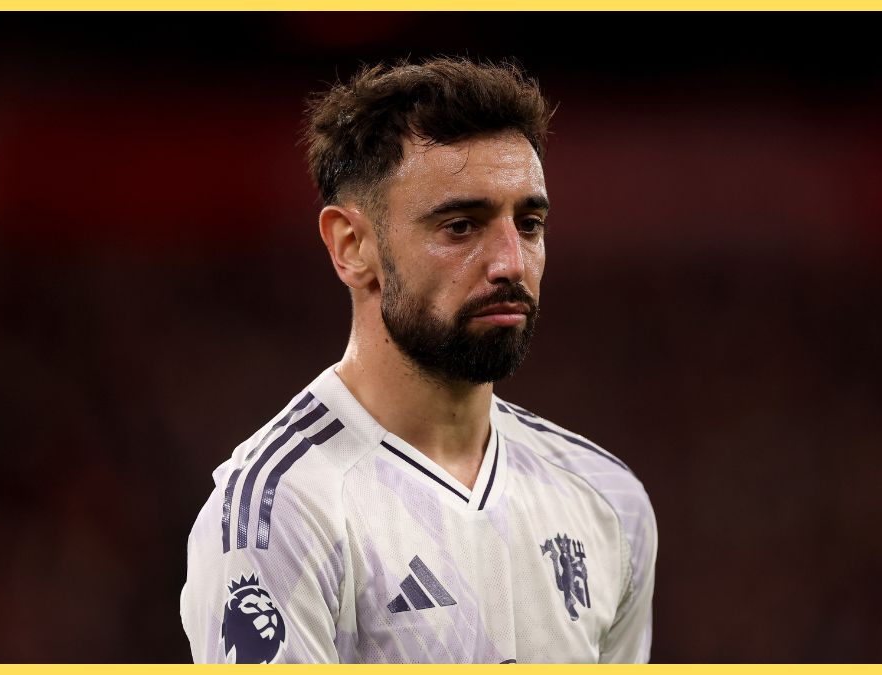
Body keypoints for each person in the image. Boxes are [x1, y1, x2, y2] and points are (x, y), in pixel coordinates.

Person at [179, 57, 657, 664]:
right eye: (461, 226)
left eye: (529, 223)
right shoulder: (283, 512)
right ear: (352, 247)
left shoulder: (607, 499)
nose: (511, 262)